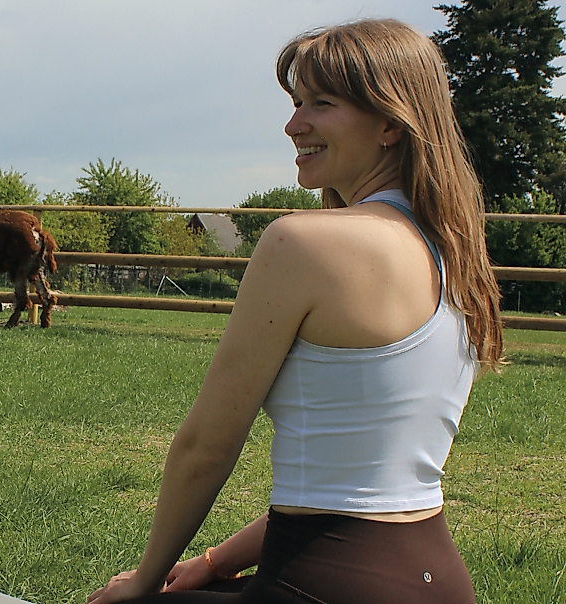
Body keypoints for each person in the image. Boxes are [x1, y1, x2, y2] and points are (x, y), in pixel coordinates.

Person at [87, 18, 502, 604]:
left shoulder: (302, 243)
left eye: (321, 104)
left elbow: (206, 447)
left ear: (390, 122)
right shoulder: (454, 253)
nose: (293, 124)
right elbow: (359, 485)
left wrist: (145, 582)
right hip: (436, 579)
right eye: (297, 102)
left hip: (321, 584)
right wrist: (214, 561)